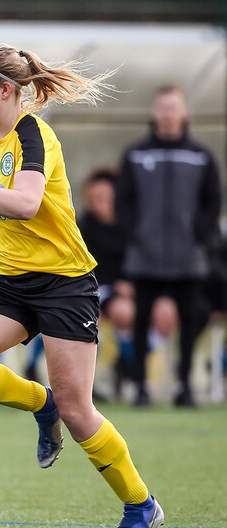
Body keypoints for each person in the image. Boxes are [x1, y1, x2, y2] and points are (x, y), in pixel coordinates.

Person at [0, 44, 163, 528]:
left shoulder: (34, 134)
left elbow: (26, 203)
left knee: (79, 412)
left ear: (7, 90)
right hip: (8, 280)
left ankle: (141, 506)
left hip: (63, 284)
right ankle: (41, 404)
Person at [115, 85, 223, 408]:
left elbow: (213, 202)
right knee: (141, 320)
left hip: (188, 258)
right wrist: (136, 236)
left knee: (190, 320)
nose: (167, 114)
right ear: (153, 112)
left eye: (173, 107)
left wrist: (198, 237)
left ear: (184, 113)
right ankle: (141, 387)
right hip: (144, 257)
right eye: (162, 107)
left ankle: (185, 386)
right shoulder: (135, 155)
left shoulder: (201, 157)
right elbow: (123, 202)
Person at [75, 167, 178, 399]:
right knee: (124, 312)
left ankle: (127, 361)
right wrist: (117, 286)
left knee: (167, 312)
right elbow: (85, 266)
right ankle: (130, 364)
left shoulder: (134, 223)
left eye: (103, 198)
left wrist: (135, 284)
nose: (98, 204)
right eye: (93, 199)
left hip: (137, 285)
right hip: (101, 288)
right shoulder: (84, 226)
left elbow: (147, 259)